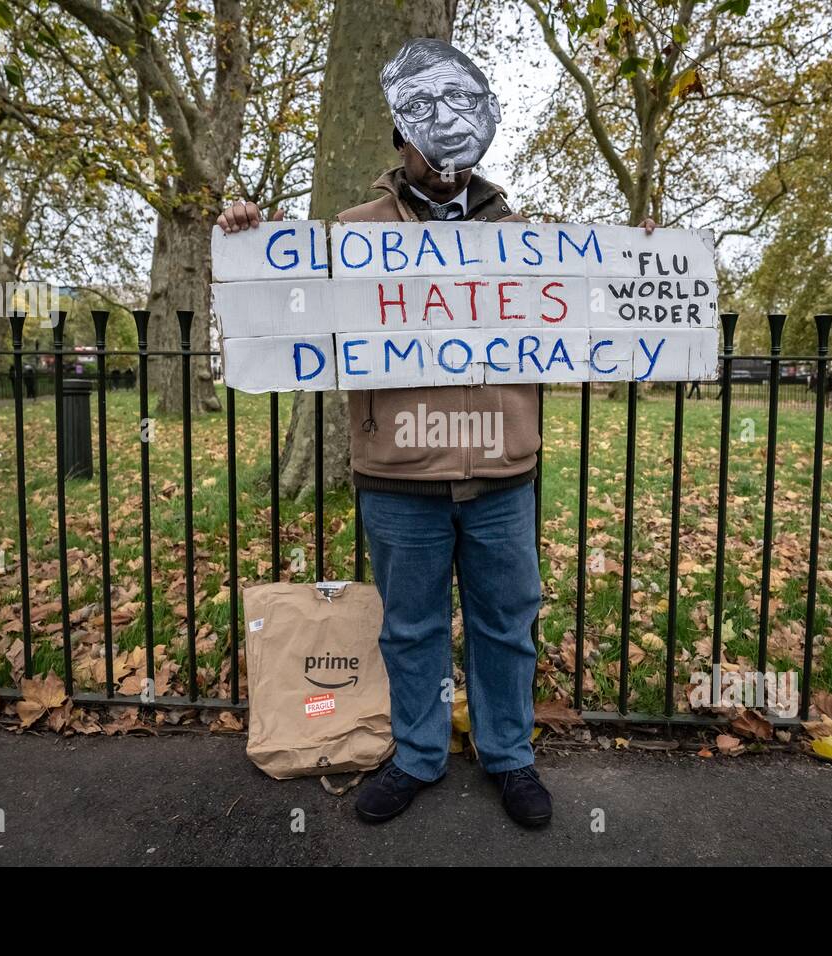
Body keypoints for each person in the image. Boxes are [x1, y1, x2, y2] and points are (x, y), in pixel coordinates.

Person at [218, 38, 657, 830]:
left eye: (461, 117)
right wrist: (248, 239)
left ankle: (509, 756)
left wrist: (642, 261)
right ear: (400, 136)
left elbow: (598, 320)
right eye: (428, 121)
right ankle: (418, 755)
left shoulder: (524, 238)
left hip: (501, 473)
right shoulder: (352, 232)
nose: (445, 138)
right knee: (412, 625)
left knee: (504, 623)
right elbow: (279, 312)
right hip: (398, 474)